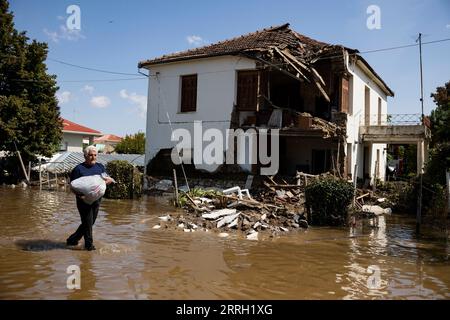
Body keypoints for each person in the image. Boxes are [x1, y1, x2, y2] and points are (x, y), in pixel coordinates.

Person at [66, 145, 114, 251]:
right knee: (87, 223)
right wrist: (80, 196)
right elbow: (72, 186)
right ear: (85, 156)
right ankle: (89, 246)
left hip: (96, 200)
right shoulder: (78, 169)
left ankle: (72, 239)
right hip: (83, 200)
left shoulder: (100, 167)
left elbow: (107, 178)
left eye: (95, 155)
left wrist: (108, 181)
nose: (93, 157)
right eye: (90, 155)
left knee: (90, 222)